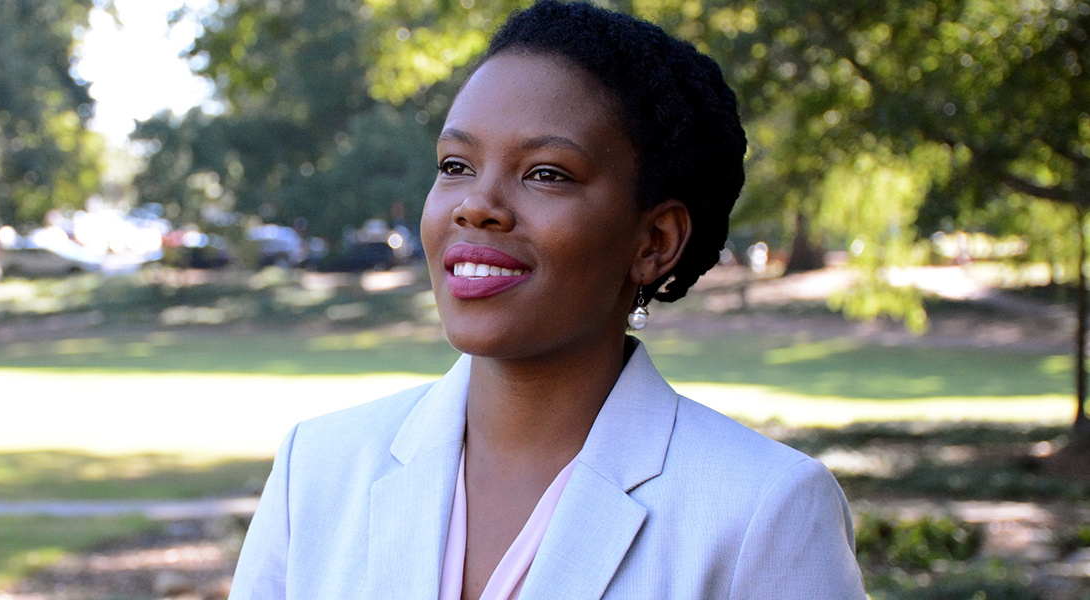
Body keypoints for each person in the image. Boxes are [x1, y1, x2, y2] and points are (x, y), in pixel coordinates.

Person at [228, 2, 867, 599]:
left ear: (655, 241)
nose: (476, 203)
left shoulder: (764, 509)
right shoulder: (317, 469)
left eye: (546, 174)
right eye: (455, 166)